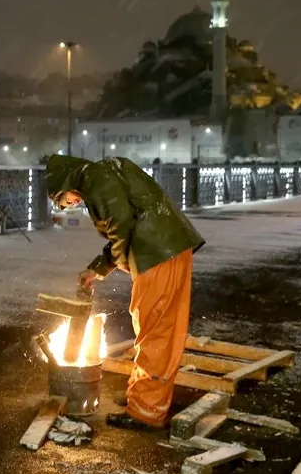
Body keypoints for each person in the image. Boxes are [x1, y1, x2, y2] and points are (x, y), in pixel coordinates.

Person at [45, 154, 205, 430]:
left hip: (157, 251)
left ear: (64, 183)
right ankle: (140, 396)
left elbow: (120, 225)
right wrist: (98, 268)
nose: (72, 204)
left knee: (155, 330)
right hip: (163, 246)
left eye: (65, 200)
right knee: (154, 325)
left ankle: (146, 410)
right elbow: (125, 223)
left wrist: (123, 263)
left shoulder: (94, 177)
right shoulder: (102, 172)